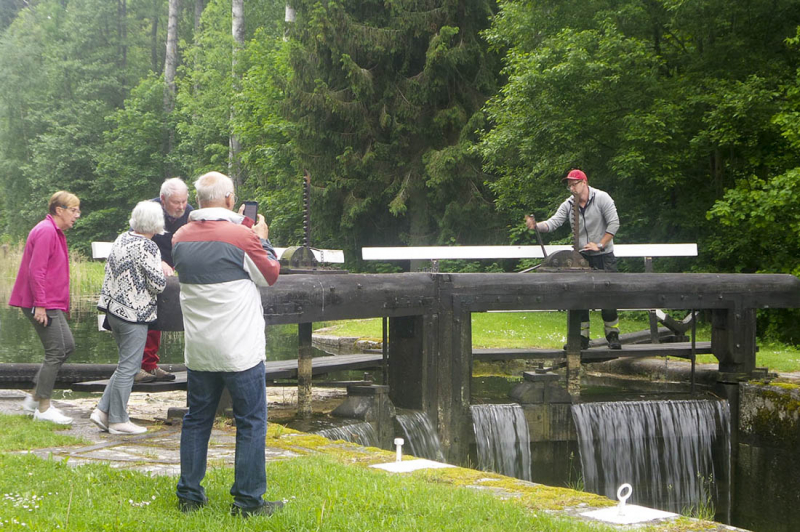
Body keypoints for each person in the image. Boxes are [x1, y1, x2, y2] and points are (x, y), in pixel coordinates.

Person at [172, 171, 282, 516]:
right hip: (240, 351)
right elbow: (270, 275)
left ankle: (189, 496)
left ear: (199, 200)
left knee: (196, 419)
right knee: (250, 422)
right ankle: (248, 502)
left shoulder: (179, 238)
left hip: (200, 350)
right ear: (230, 199)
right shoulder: (242, 237)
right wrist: (261, 238)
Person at [91, 202, 167, 435]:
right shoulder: (148, 247)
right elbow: (158, 285)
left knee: (125, 364)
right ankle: (118, 420)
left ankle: (102, 410)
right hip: (134, 315)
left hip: (113, 312)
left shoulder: (121, 239)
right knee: (130, 368)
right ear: (156, 223)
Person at [526, 169, 622, 350]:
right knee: (580, 297)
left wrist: (600, 244)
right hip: (581, 257)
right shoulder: (569, 204)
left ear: (584, 182)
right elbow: (553, 223)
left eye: (574, 184)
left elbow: (614, 223)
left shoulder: (602, 198)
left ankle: (613, 336)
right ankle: (582, 338)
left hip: (603, 256)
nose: (571, 188)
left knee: (608, 298)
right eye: (569, 185)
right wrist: (536, 226)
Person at [9, 191, 81, 424]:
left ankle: (34, 400)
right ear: (59, 210)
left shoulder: (54, 232)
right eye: (73, 210)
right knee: (56, 351)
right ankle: (43, 408)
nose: (77, 215)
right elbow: (36, 271)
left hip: (49, 302)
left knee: (66, 346)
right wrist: (40, 304)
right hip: (41, 302)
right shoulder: (46, 231)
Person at [135, 177, 194, 383]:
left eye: (183, 201)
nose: (181, 207)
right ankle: (142, 365)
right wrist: (157, 261)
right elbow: (137, 238)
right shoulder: (148, 210)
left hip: (176, 270)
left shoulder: (190, 213)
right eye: (176, 202)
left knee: (165, 315)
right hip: (149, 268)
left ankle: (150, 364)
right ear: (162, 199)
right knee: (148, 315)